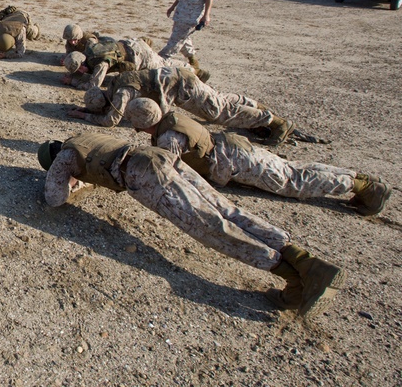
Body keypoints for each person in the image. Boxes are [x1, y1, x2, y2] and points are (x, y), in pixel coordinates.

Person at [37, 132, 345, 317]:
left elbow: (54, 198)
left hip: (144, 174)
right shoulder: (81, 139)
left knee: (211, 227)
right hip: (159, 157)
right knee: (228, 211)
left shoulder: (64, 159)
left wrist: (74, 183)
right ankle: (303, 259)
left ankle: (294, 278)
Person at [124, 98, 391, 216]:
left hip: (236, 161)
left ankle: (364, 186)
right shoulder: (170, 119)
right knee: (292, 170)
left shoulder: (169, 139)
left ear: (139, 123)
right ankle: (359, 181)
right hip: (232, 148)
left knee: (290, 181)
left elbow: (169, 174)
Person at [68, 67, 294, 145]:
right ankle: (253, 106)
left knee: (218, 113)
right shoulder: (115, 85)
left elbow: (110, 121)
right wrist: (87, 111)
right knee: (219, 102)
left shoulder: (122, 92)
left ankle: (275, 122)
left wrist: (84, 117)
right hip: (177, 79)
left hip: (182, 86)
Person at [63, 36, 208, 89]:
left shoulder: (101, 63)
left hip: (139, 55)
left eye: (78, 70)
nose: (79, 73)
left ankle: (194, 71)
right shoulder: (90, 48)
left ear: (82, 65)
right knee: (163, 62)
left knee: (164, 68)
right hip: (131, 44)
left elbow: (94, 85)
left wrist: (74, 83)